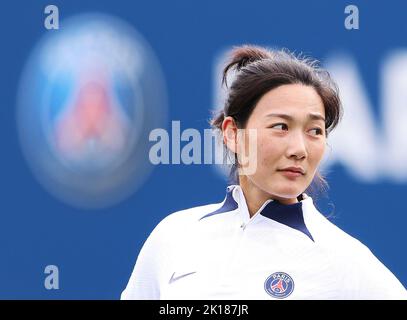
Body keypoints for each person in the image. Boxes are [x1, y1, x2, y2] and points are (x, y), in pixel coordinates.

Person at [121, 45, 407, 299]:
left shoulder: (346, 262)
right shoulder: (174, 236)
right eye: (281, 126)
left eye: (314, 131)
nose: (300, 149)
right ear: (232, 133)